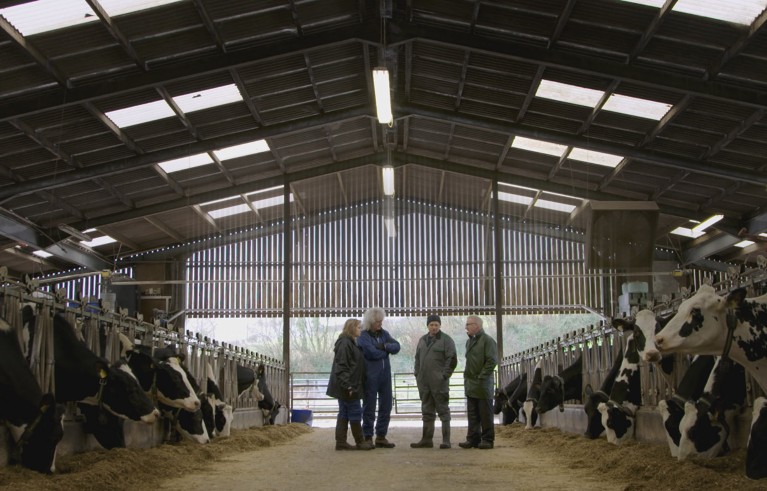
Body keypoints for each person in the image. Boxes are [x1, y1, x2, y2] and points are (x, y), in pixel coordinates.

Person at [326, 318, 374, 450]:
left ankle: (341, 442)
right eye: (359, 327)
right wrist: (348, 385)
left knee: (344, 413)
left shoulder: (350, 343)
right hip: (348, 386)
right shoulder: (345, 344)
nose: (361, 330)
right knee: (354, 412)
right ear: (352, 328)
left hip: (347, 384)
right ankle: (360, 441)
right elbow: (342, 366)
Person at [411, 314, 458, 449]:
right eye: (431, 325)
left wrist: (444, 375)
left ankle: (446, 440)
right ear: (428, 326)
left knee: (443, 410)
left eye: (436, 325)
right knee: (427, 410)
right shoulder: (422, 340)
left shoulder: (446, 340)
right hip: (424, 382)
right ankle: (426, 439)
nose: (434, 327)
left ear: (440, 326)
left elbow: (452, 359)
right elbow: (417, 358)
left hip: (439, 383)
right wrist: (417, 373)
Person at [357, 307, 401, 448]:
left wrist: (384, 346)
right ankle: (368, 436)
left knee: (386, 406)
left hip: (385, 376)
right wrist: (386, 351)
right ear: (370, 322)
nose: (380, 324)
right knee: (369, 406)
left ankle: (381, 436)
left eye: (381, 321)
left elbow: (397, 346)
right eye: (377, 321)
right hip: (370, 376)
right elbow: (371, 353)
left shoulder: (384, 334)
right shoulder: (363, 336)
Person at [459, 315, 498, 450]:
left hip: (482, 384)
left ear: (477, 326)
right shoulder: (469, 342)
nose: (466, 327)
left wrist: (481, 376)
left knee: (485, 413)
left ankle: (487, 439)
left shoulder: (487, 341)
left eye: (469, 324)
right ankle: (473, 438)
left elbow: (492, 361)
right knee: (473, 413)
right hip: (471, 383)